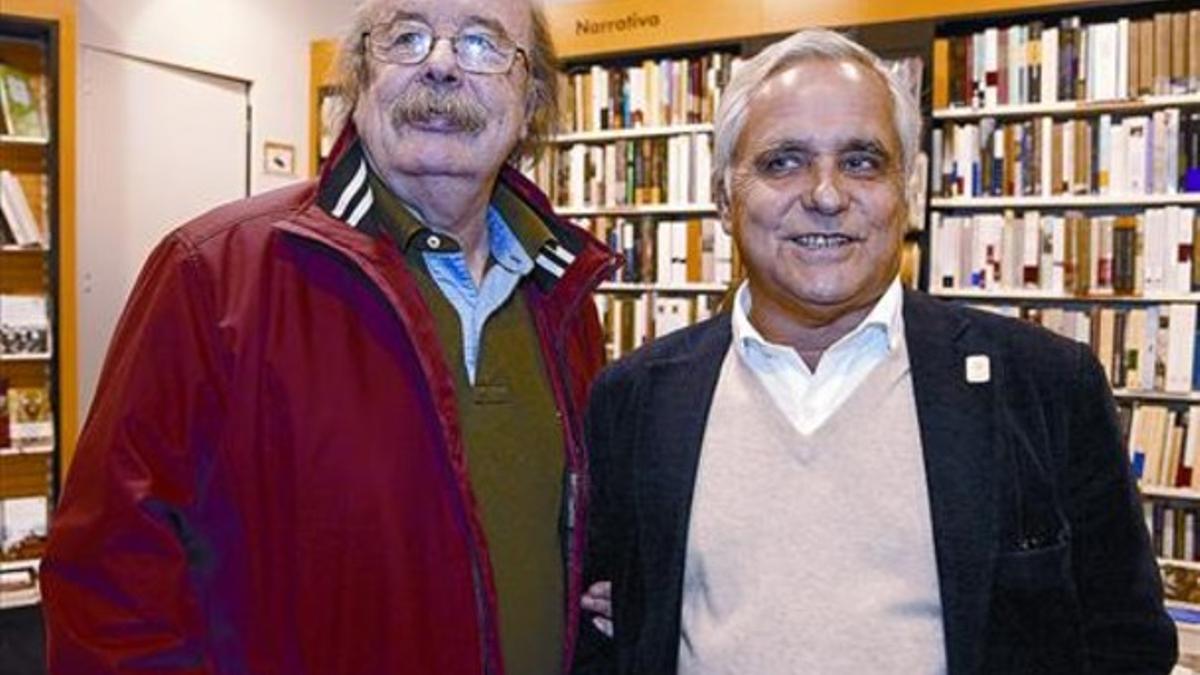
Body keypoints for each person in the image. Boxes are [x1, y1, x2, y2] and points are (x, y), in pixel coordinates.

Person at [572, 28, 1177, 674]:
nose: (827, 195)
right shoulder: (637, 399)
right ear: (724, 196)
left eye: (862, 161)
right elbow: (605, 633)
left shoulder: (1045, 387)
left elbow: (1128, 643)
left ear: (906, 192)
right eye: (784, 161)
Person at [41, 0, 614, 672]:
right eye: (406, 36)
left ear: (532, 100)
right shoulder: (214, 274)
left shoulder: (562, 299)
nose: (440, 65)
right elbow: (110, 591)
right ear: (360, 76)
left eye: (483, 44)